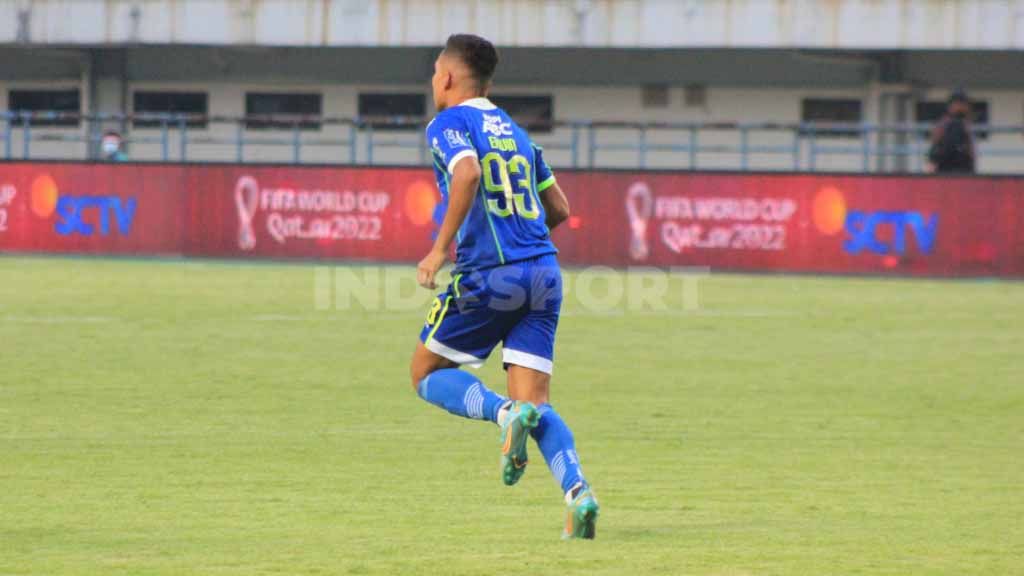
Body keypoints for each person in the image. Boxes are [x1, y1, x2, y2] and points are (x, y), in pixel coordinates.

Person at [408, 34, 599, 539]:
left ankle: (502, 412)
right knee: (539, 405)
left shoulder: (448, 123)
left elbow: (467, 173)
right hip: (543, 272)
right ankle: (579, 496)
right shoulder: (516, 132)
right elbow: (559, 207)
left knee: (426, 372)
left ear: (447, 77)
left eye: (434, 71)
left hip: (491, 273)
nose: (433, 80)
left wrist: (438, 249)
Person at [927, 89, 975, 174]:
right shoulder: (946, 123)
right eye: (961, 104)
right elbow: (936, 148)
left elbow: (969, 151)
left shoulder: (963, 124)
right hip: (947, 171)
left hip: (962, 171)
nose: (965, 107)